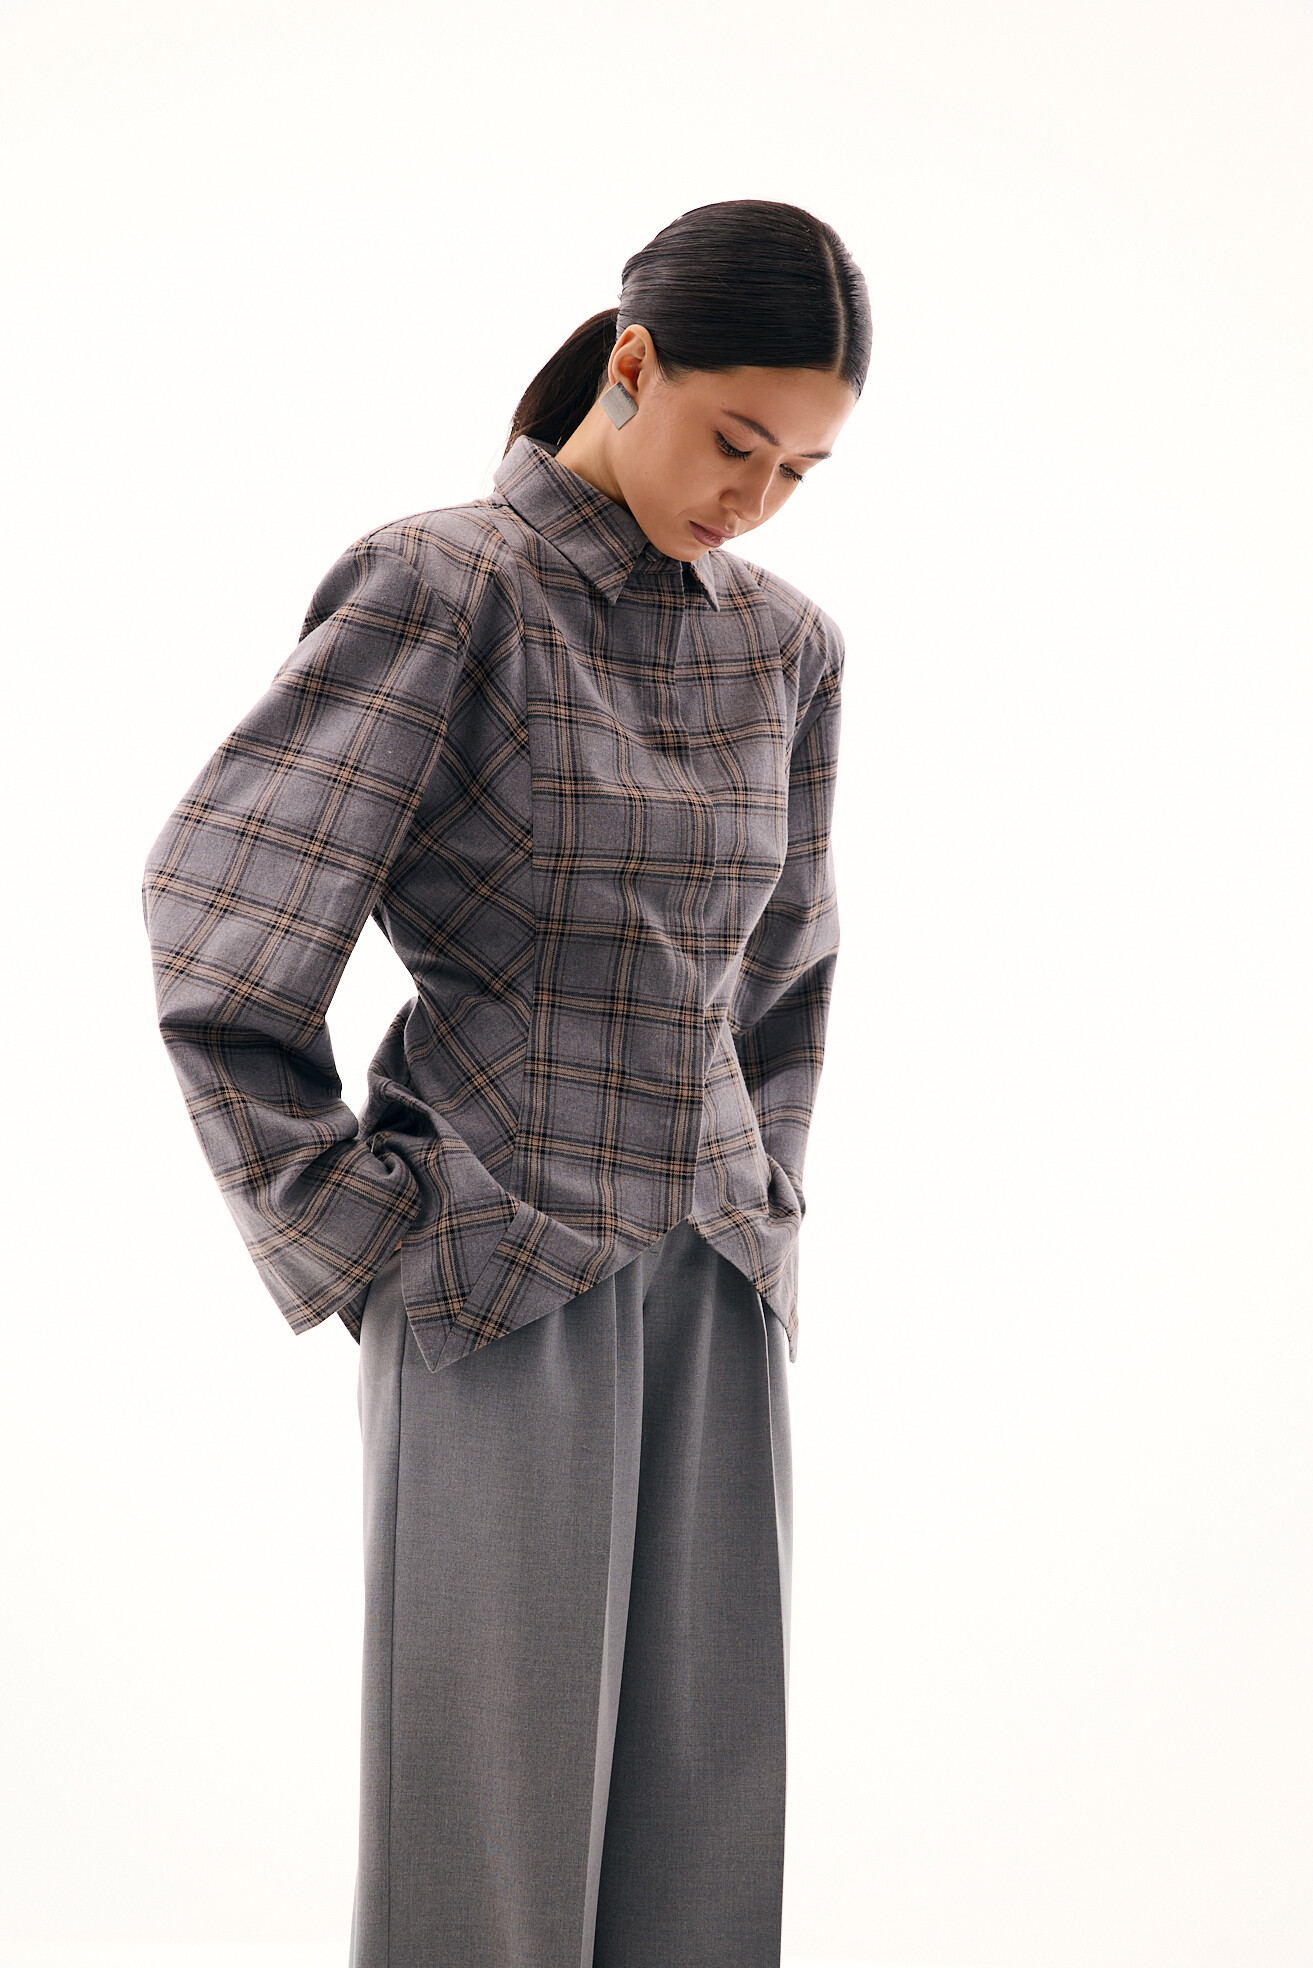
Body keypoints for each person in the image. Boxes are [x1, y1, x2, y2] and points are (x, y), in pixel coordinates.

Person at [142, 196, 870, 1968]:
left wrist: (767, 1197)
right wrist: (361, 1233)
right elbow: (219, 920)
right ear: (633, 362)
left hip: (715, 1270)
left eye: (798, 469)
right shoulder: (445, 585)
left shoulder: (788, 646)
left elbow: (786, 969)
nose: (753, 498)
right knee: (488, 1840)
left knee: (708, 1826)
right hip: (493, 1272)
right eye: (733, 441)